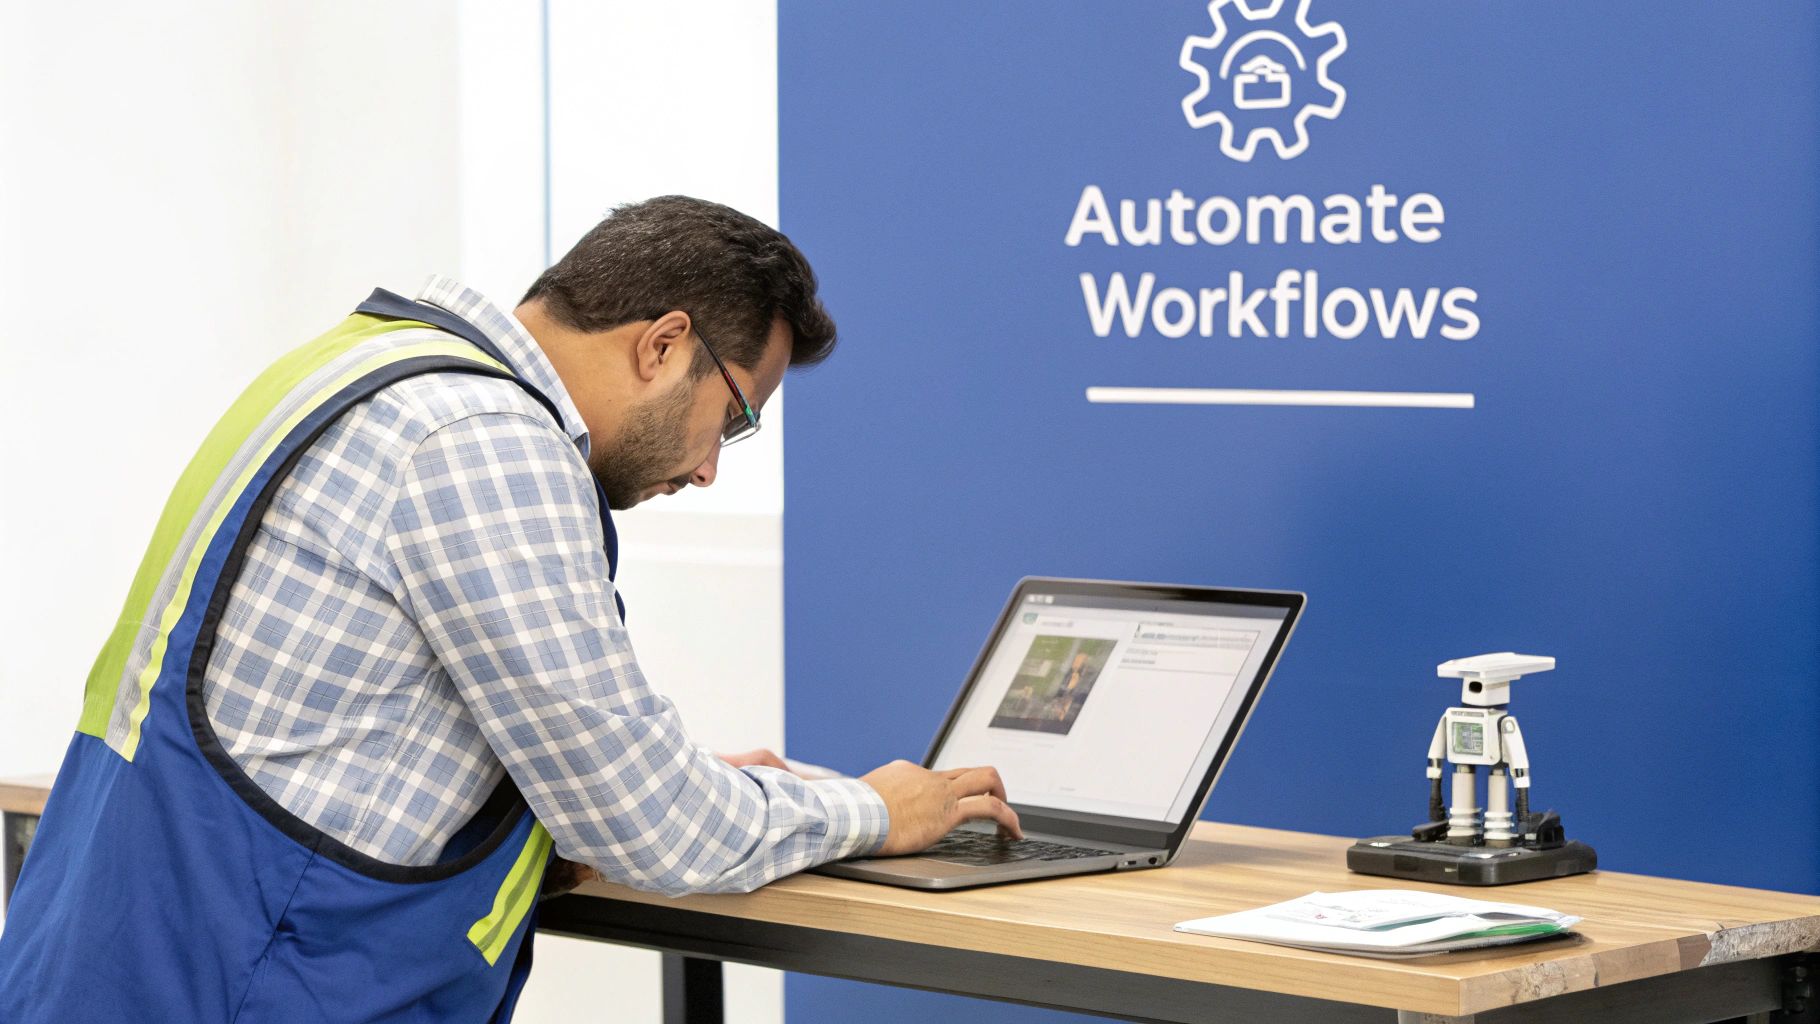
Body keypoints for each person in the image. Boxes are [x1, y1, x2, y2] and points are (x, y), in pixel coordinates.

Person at [0, 196, 1020, 1023]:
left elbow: (353, 734)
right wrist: (875, 811)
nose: (711, 467)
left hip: (119, 958)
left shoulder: (363, 366)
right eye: (735, 417)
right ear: (665, 344)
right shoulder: (483, 439)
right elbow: (651, 826)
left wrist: (639, 795)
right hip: (243, 982)